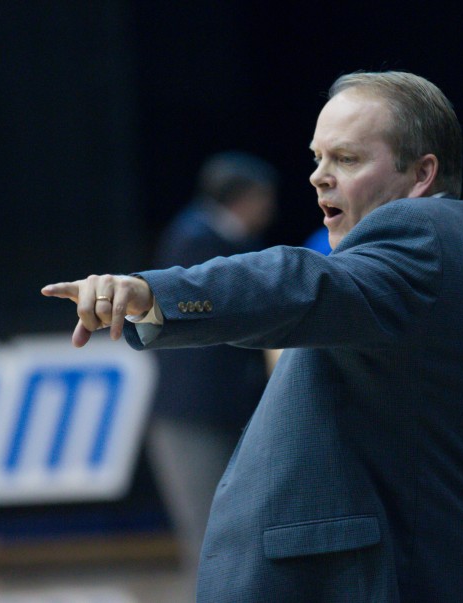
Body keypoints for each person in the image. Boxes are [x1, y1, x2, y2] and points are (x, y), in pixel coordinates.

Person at [43, 71, 463, 601]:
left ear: (422, 174)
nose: (319, 177)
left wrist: (152, 293)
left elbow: (301, 282)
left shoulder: (422, 238)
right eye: (317, 158)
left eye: (347, 159)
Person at [148, 151, 277, 575]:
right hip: (192, 420)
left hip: (216, 416)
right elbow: (197, 308)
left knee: (227, 540)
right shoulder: (196, 239)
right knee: (210, 542)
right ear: (247, 197)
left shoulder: (226, 240)